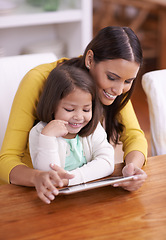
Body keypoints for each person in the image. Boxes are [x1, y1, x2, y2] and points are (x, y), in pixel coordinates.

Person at [0, 26, 147, 202]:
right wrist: (37, 177)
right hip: (32, 193)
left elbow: (135, 136)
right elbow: (7, 159)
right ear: (90, 59)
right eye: (112, 77)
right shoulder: (38, 79)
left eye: (128, 81)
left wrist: (132, 170)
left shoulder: (115, 88)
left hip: (80, 190)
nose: (118, 89)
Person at [29, 65, 114, 203]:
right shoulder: (40, 133)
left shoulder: (93, 127)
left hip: (90, 196)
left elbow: (107, 162)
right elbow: (50, 178)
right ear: (52, 106)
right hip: (54, 200)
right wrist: (47, 138)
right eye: (69, 109)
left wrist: (69, 179)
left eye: (86, 110)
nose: (79, 117)